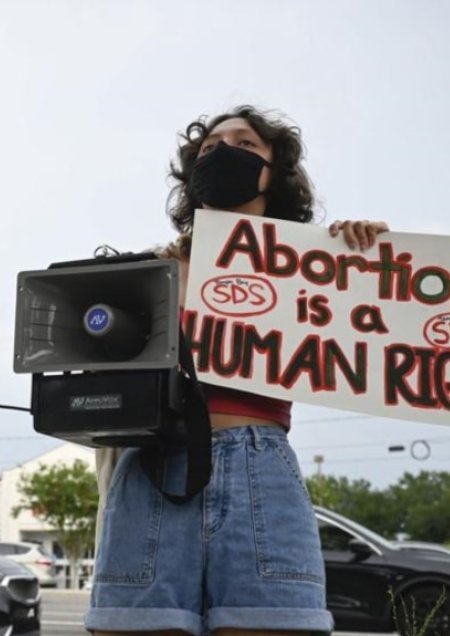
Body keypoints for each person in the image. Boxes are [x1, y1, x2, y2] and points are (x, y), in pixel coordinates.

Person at [84, 106, 388, 636]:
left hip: (260, 464)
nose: (223, 152)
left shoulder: (313, 265)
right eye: (208, 148)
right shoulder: (150, 271)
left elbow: (376, 319)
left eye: (245, 145)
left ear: (276, 174)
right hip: (155, 465)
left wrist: (365, 255)